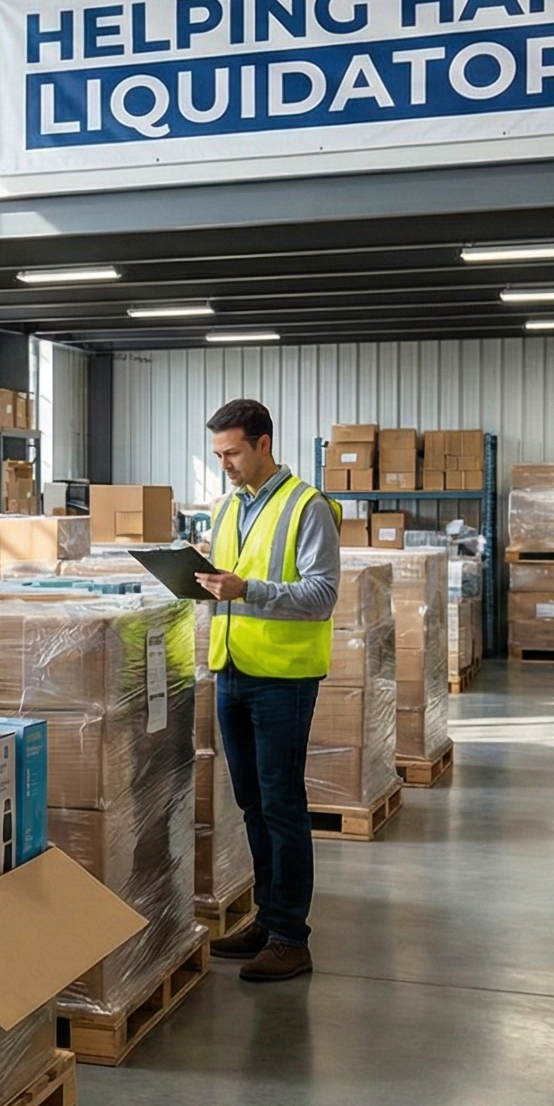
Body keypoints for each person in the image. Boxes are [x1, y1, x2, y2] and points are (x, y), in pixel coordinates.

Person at [194, 397, 340, 983]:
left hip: (283, 677)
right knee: (252, 804)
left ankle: (290, 938)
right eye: (218, 454)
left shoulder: (308, 506)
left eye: (232, 452)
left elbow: (322, 593)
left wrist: (245, 589)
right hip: (232, 669)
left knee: (282, 805)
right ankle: (266, 916)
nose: (224, 463)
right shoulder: (227, 508)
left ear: (263, 444)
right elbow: (225, 579)